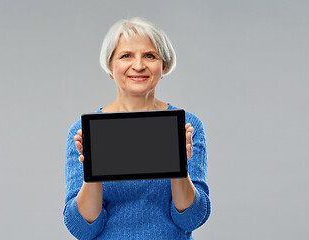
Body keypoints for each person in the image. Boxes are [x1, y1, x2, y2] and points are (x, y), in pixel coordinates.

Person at [63, 17, 211, 239]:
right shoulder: (84, 131)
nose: (139, 65)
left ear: (164, 66)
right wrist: (92, 174)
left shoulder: (187, 126)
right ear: (111, 67)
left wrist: (180, 167)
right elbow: (83, 229)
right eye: (126, 56)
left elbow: (191, 219)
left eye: (150, 56)